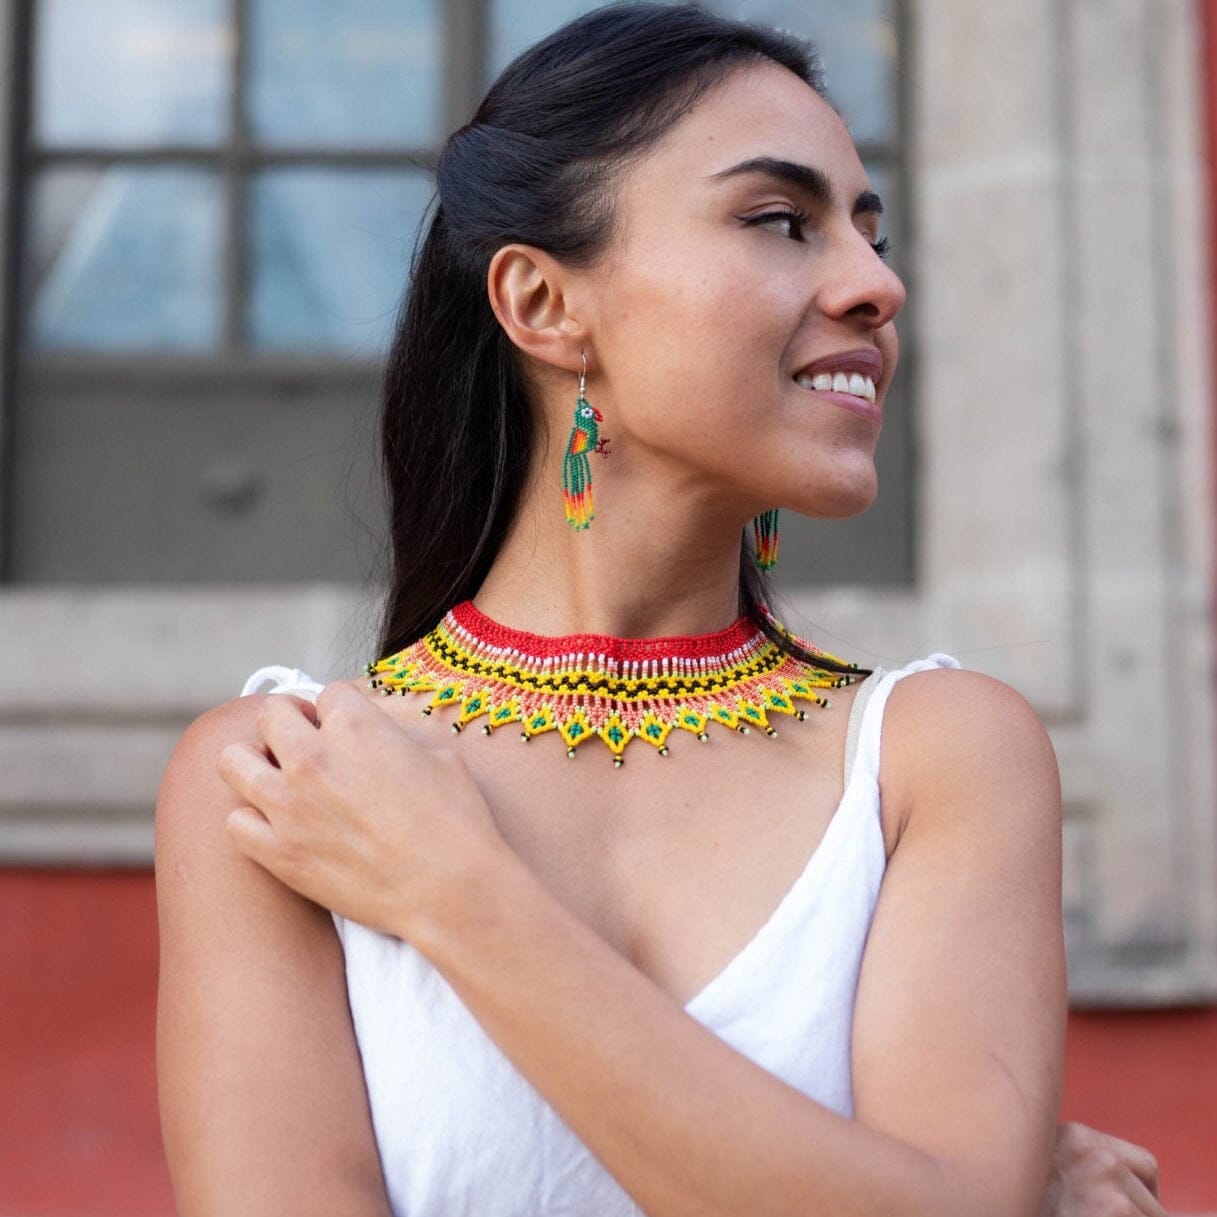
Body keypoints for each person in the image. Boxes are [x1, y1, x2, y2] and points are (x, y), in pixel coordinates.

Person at [153, 5, 1168, 1215]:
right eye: (779, 220)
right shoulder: (284, 781)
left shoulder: (933, 759)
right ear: (543, 303)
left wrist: (453, 888)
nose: (876, 285)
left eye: (870, 234)